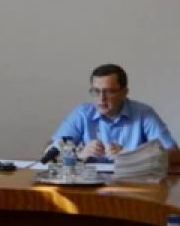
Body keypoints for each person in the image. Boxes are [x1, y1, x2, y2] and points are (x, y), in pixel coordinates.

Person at [50, 63, 178, 164]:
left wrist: (132, 155)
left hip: (132, 184)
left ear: (124, 93)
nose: (101, 98)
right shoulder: (82, 113)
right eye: (96, 91)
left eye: (109, 91)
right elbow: (50, 149)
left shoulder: (144, 114)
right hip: (89, 184)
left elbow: (175, 155)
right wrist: (79, 154)